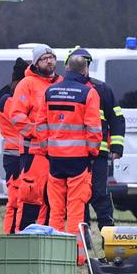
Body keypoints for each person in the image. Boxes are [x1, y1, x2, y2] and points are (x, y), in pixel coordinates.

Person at [66, 47, 125, 232]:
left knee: (100, 194)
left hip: (99, 152)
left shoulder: (100, 88)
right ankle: (83, 238)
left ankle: (108, 234)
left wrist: (117, 146)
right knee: (78, 197)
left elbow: (116, 117)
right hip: (74, 153)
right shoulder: (63, 89)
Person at [42, 52, 101, 234]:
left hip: (54, 159)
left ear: (67, 68)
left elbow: (40, 123)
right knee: (76, 210)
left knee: (56, 210)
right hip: (78, 159)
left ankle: (55, 255)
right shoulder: (89, 93)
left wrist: (46, 148)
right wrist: (92, 153)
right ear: (85, 70)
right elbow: (93, 128)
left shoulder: (50, 91)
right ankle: (78, 255)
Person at [8, 45, 58, 228]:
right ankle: (22, 235)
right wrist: (39, 133)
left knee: (52, 199)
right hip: (34, 151)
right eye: (44, 58)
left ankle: (47, 235)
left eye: (51, 57)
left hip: (57, 152)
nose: (49, 61)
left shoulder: (60, 83)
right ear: (36, 63)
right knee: (30, 196)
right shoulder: (27, 84)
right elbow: (17, 116)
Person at [0, 57, 28, 233]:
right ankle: (10, 237)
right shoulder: (8, 101)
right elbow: (20, 120)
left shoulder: (9, 98)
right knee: (15, 201)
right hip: (14, 155)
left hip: (19, 155)